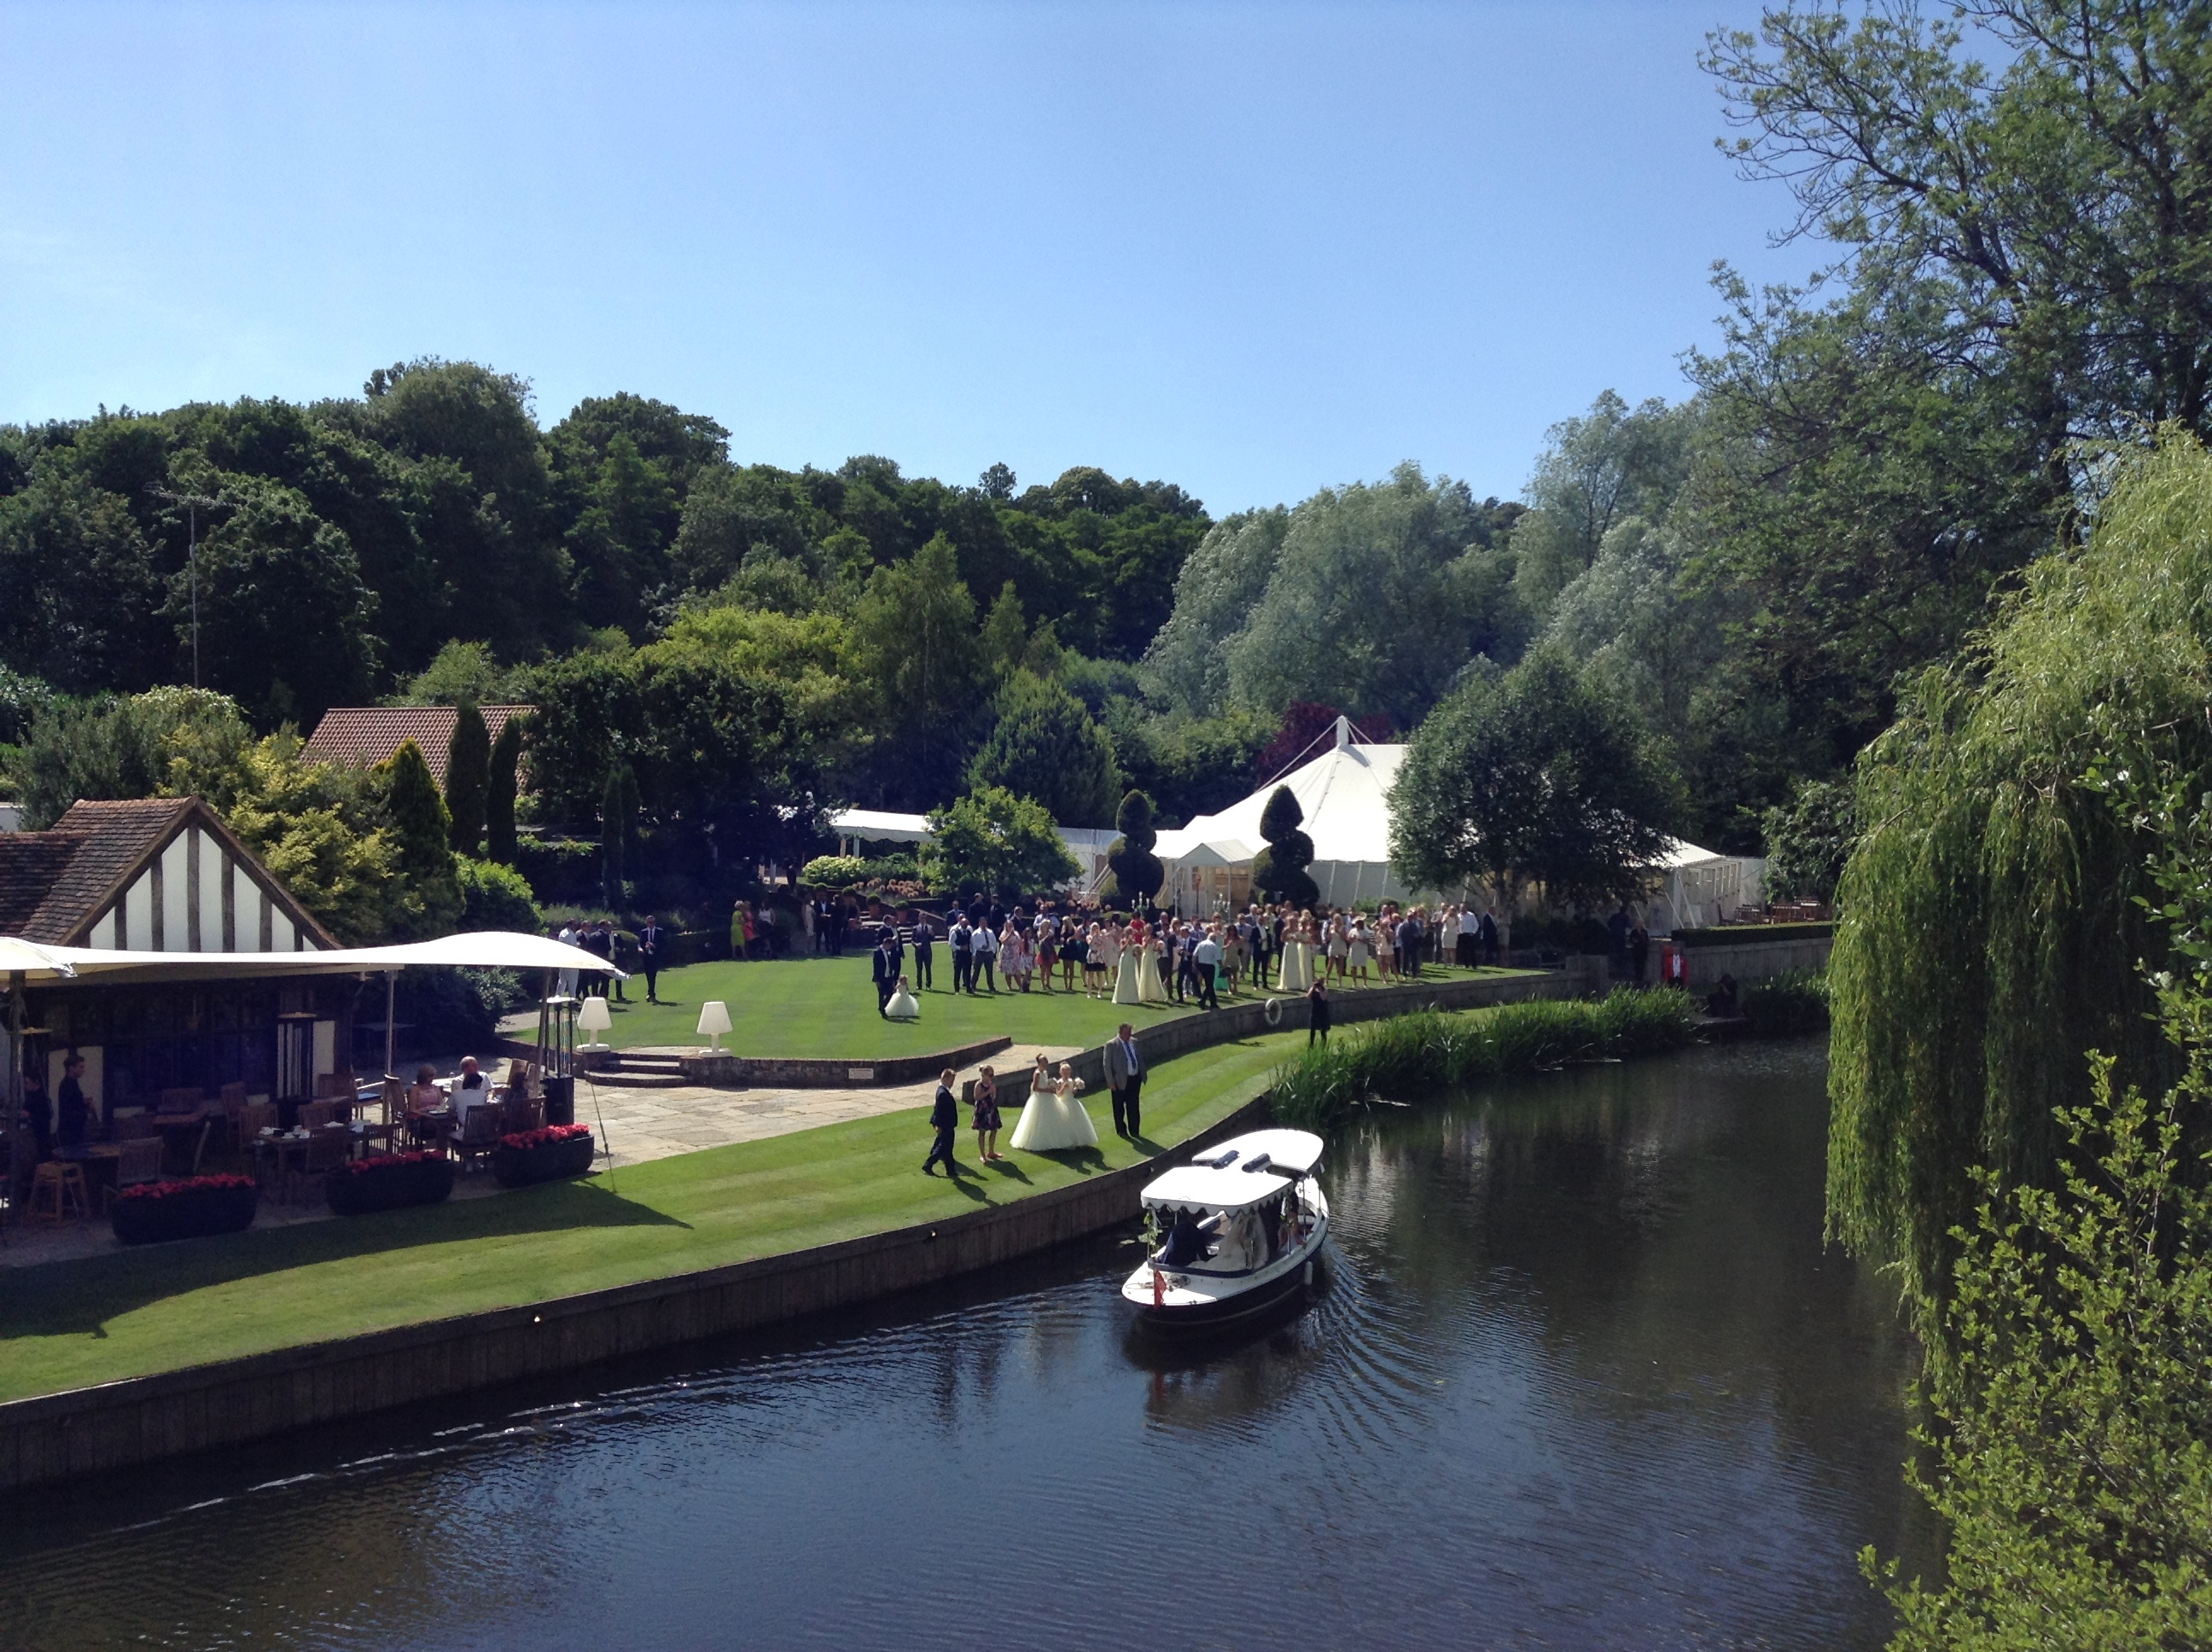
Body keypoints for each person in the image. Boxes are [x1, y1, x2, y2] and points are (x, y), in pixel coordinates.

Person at [1009, 1056, 1097, 1151]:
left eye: (1046, 1062)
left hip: (1048, 1097)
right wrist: (1048, 1090)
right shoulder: (1037, 1073)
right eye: (1043, 1062)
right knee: (1039, 1119)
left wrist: (1050, 1087)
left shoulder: (1045, 1072)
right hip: (1040, 1098)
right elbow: (1035, 1088)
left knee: (1051, 1119)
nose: (1045, 1064)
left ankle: (1052, 1140)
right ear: (1039, 1063)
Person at [1104, 1022, 1144, 1137]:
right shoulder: (1112, 1045)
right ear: (1121, 1032)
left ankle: (1135, 1130)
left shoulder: (1134, 1042)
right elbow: (1107, 1065)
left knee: (1133, 1106)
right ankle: (1122, 1131)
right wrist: (1111, 1082)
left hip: (1134, 1079)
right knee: (1119, 1107)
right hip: (1119, 1081)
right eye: (1127, 1033)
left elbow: (1139, 1058)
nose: (1129, 1035)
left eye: (1130, 1033)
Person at [923, 1068, 959, 1176]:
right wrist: (938, 1124)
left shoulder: (942, 1091)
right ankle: (929, 1164)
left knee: (947, 1148)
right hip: (945, 1124)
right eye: (951, 1080)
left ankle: (951, 1171)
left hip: (946, 1123)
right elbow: (938, 1110)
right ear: (945, 1079)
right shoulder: (943, 1093)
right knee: (944, 1146)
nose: (952, 1083)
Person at [405, 1062, 448, 1145]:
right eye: (430, 1076)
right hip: (421, 1117)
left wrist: (438, 1111)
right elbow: (412, 1109)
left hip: (435, 1115)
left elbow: (441, 1105)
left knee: (445, 1124)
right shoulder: (415, 1090)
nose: (432, 1078)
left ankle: (442, 1148)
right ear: (423, 1076)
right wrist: (426, 1114)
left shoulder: (435, 1088)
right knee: (435, 1125)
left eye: (433, 1076)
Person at [55, 1050, 90, 1150]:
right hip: (71, 1130)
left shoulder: (72, 1083)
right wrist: (84, 1106)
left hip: (73, 1128)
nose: (83, 1070)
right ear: (72, 1068)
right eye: (81, 1067)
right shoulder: (67, 1085)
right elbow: (70, 1106)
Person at [971, 1064, 1004, 1161]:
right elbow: (976, 1097)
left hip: (991, 1109)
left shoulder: (991, 1084)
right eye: (990, 1075)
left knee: (994, 1130)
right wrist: (988, 1092)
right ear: (984, 1075)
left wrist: (993, 1092)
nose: (992, 1077)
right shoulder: (979, 1085)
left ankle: (991, 1152)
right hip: (982, 1110)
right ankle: (983, 1155)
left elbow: (993, 1097)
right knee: (982, 1132)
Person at [1190, 926, 1221, 1009]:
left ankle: (1213, 1002)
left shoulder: (1201, 944)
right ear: (1214, 939)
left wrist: (1194, 965)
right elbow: (1218, 959)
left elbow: (1194, 955)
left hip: (1200, 965)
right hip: (1209, 966)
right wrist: (1223, 967)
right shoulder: (1214, 946)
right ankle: (1203, 1000)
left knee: (1209, 986)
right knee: (1209, 985)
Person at [873, 934, 901, 1015]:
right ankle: (882, 1010)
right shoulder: (878, 953)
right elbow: (876, 967)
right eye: (890, 946)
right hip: (881, 977)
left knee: (890, 992)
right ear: (885, 944)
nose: (890, 948)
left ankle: (882, 1006)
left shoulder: (888, 953)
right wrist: (877, 979)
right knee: (881, 994)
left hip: (888, 976)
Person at [970, 917, 998, 993]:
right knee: (976, 970)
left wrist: (993, 952)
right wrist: (975, 954)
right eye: (982, 922)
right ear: (979, 923)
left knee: (989, 971)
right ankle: (972, 985)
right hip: (980, 953)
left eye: (985, 922)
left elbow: (994, 942)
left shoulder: (990, 932)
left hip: (989, 953)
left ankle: (991, 987)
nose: (984, 924)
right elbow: (973, 944)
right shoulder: (976, 933)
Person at [949, 912, 973, 994]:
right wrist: (960, 947)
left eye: (966, 923)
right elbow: (951, 944)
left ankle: (968, 988)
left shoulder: (969, 932)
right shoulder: (955, 932)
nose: (965, 925)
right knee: (957, 972)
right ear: (961, 923)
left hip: (967, 954)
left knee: (968, 971)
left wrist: (972, 953)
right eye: (964, 923)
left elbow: (971, 943)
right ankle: (957, 989)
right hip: (959, 954)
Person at [911, 913, 934, 990]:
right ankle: (919, 985)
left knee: (928, 969)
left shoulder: (930, 928)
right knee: (919, 969)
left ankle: (928, 985)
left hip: (927, 951)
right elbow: (912, 940)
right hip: (919, 952)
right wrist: (916, 944)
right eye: (921, 918)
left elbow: (932, 939)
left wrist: (931, 935)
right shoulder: (915, 928)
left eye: (924, 918)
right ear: (919, 918)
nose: (923, 919)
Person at [1307, 978, 1331, 1046]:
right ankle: (1311, 1044)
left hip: (1322, 1011)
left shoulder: (1325, 990)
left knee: (1323, 1030)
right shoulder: (1313, 989)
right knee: (1312, 1029)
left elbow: (1323, 998)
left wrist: (1320, 989)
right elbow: (1308, 996)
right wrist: (1313, 988)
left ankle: (1323, 1045)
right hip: (1314, 1010)